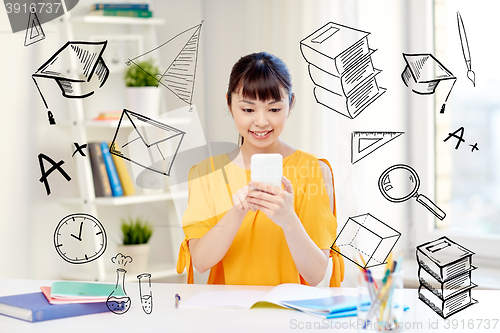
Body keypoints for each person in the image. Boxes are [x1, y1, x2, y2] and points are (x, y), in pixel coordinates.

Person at [176, 52, 344, 286]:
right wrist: (237, 211)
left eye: (274, 110)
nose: (262, 121)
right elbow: (201, 262)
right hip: (227, 315)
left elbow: (316, 275)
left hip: (289, 314)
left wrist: (288, 219)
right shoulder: (207, 173)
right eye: (248, 110)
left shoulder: (314, 171)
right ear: (229, 104)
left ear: (290, 103)